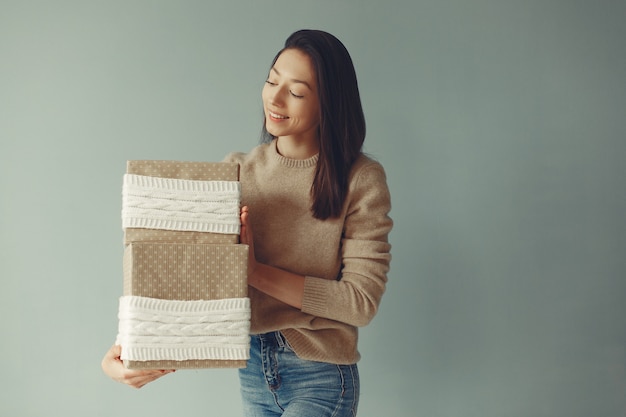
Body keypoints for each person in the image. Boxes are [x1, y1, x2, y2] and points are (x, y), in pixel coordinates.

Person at [102, 29, 393, 417]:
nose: (274, 98)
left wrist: (254, 272)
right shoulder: (237, 170)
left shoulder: (360, 179)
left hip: (320, 375)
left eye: (297, 91)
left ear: (329, 103)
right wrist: (126, 345)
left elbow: (360, 303)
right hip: (254, 370)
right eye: (272, 80)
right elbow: (183, 269)